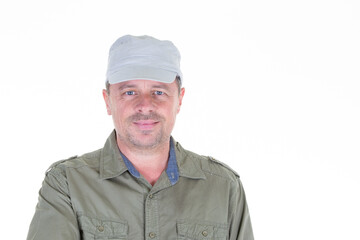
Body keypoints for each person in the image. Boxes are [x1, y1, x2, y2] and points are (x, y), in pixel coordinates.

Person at [27, 35, 254, 240]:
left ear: (180, 100)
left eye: (159, 92)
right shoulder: (67, 184)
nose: (145, 105)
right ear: (108, 101)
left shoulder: (223, 188)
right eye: (129, 92)